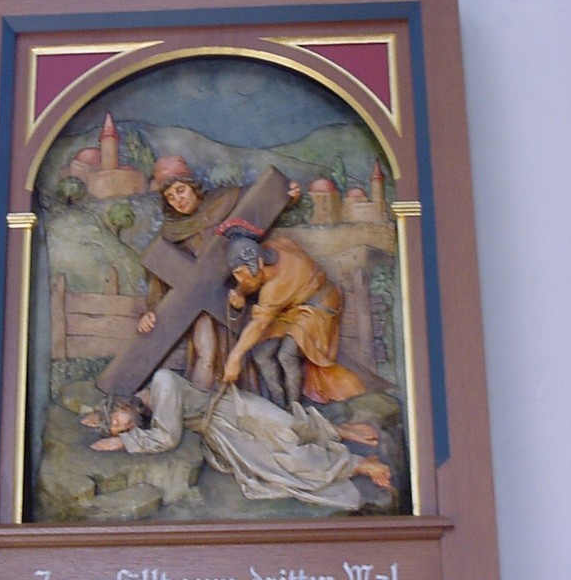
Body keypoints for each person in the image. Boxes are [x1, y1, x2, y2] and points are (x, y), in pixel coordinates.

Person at [82, 368, 391, 512]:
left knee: (290, 427)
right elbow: (166, 435)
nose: (124, 428)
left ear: (119, 404)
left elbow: (168, 437)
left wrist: (125, 442)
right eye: (119, 431)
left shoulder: (161, 381)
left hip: (233, 406)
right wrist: (123, 437)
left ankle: (342, 430)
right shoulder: (145, 416)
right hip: (223, 432)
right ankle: (360, 464)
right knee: (283, 461)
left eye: (117, 422)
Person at [137, 157, 301, 391]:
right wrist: (151, 310)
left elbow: (261, 202)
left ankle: (241, 405)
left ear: (193, 187)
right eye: (170, 197)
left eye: (180, 190)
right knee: (206, 351)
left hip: (236, 294)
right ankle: (200, 405)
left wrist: (287, 195)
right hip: (198, 301)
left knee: (243, 351)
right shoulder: (171, 232)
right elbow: (160, 273)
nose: (178, 200)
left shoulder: (226, 200)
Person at [216, 220, 365, 405]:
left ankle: (295, 407)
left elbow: (259, 324)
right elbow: (253, 281)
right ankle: (278, 404)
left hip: (319, 306)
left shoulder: (275, 288)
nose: (239, 280)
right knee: (261, 353)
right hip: (291, 308)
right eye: (236, 274)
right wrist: (240, 292)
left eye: (240, 273)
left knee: (287, 354)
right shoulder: (274, 246)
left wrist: (234, 357)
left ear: (259, 262)